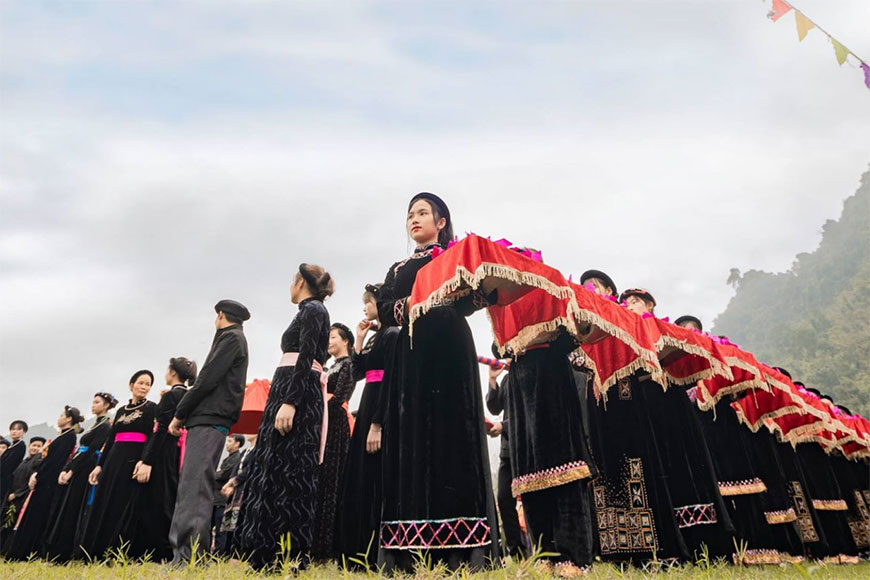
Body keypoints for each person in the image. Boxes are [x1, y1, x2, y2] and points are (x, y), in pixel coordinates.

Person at [376, 193, 499, 572]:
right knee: (409, 438)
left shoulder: (456, 256)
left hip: (450, 351)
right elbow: (385, 310)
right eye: (410, 214)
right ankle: (406, 549)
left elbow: (474, 299)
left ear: (441, 221)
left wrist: (475, 288)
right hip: (410, 356)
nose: (414, 219)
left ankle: (464, 551)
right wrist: (417, 301)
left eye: (423, 213)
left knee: (453, 435)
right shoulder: (398, 267)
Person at [234, 264, 332, 570]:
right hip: (290, 387)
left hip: (296, 393)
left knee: (292, 471)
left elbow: (307, 355)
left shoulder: (313, 309)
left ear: (300, 281)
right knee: (276, 466)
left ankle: (288, 553)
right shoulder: (308, 310)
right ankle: (266, 552)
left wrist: (290, 401)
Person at [587, 288, 689, 566]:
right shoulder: (599, 323)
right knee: (609, 473)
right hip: (601, 408)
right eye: (627, 300)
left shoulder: (642, 326)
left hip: (634, 405)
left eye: (635, 300)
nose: (629, 304)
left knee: (641, 469)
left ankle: (654, 548)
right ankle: (617, 550)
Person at [504, 328, 597, 574]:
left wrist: (543, 335)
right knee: (530, 477)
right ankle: (544, 555)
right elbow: (499, 346)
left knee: (565, 473)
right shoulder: (505, 303)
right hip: (520, 384)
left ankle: (573, 558)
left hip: (552, 377)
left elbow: (574, 336)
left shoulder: (553, 294)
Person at [168, 300, 250, 565]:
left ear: (221, 315)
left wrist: (180, 412)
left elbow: (206, 379)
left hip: (209, 418)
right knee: (193, 486)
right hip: (208, 418)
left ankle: (189, 556)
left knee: (194, 489)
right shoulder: (232, 338)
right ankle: (188, 554)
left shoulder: (231, 338)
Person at [335, 284, 399, 566]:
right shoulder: (375, 337)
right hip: (368, 398)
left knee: (374, 476)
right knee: (359, 473)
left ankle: (373, 550)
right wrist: (358, 340)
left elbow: (392, 382)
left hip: (380, 405)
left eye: (368, 302)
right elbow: (359, 371)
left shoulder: (393, 334)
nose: (365, 307)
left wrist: (378, 424)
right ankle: (355, 548)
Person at [80, 370, 157, 559]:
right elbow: (111, 438)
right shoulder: (121, 411)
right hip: (114, 458)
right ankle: (94, 549)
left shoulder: (152, 408)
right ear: (131, 385)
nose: (144, 387)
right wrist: (100, 465)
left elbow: (151, 437)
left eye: (148, 384)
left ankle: (116, 550)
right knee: (104, 500)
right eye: (141, 383)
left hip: (133, 458)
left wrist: (144, 460)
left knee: (123, 502)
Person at [127, 358, 197, 561]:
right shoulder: (190, 395)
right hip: (180, 452)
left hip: (163, 452)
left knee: (156, 500)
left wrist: (147, 460)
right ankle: (169, 547)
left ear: (173, 372)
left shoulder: (171, 396)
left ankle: (152, 550)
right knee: (171, 498)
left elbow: (160, 431)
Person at [44, 392, 117, 562]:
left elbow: (91, 450)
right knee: (68, 505)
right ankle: (58, 550)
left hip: (86, 467)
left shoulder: (105, 426)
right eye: (93, 402)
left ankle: (68, 552)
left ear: (106, 405)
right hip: (79, 464)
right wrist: (67, 467)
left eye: (97, 402)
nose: (93, 405)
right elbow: (80, 450)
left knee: (75, 507)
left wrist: (72, 469)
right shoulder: (95, 425)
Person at [6, 406, 83, 560]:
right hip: (44, 480)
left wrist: (39, 476)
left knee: (38, 517)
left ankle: (29, 551)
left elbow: (54, 462)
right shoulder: (63, 435)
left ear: (68, 419)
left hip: (48, 482)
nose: (59, 417)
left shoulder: (69, 437)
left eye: (62, 415)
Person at [312, 322, 356, 560]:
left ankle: (328, 545)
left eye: (333, 337)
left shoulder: (348, 364)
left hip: (335, 422)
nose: (329, 341)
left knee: (332, 478)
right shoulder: (330, 365)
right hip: (323, 420)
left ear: (345, 341)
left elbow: (340, 396)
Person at [484, 358, 527, 561]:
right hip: (508, 450)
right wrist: (492, 379)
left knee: (530, 499)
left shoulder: (530, 373)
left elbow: (529, 413)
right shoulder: (508, 379)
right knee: (503, 498)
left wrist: (504, 426)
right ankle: (517, 552)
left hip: (527, 448)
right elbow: (494, 407)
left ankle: (541, 549)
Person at [2, 436, 45, 548]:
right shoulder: (22, 462)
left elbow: (30, 484)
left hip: (22, 497)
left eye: (38, 446)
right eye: (33, 445)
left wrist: (16, 494)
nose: (35, 448)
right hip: (11, 495)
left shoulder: (38, 463)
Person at [219, 434, 256, 556]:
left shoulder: (257, 451)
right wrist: (230, 485)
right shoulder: (245, 451)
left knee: (241, 522)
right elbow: (235, 469)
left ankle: (239, 554)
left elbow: (249, 470)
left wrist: (233, 482)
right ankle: (228, 553)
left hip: (246, 489)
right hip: (236, 491)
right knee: (230, 525)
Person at [212, 434, 244, 555]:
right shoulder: (228, 458)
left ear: (237, 444)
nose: (227, 443)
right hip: (218, 497)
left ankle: (219, 555)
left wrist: (215, 474)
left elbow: (223, 475)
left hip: (222, 498)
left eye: (230, 441)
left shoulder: (236, 458)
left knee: (221, 529)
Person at [0, 420, 29, 519]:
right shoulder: (12, 446)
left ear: (24, 432)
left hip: (5, 481)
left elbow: (7, 466)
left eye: (18, 429)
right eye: (12, 429)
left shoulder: (20, 446)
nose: (14, 431)